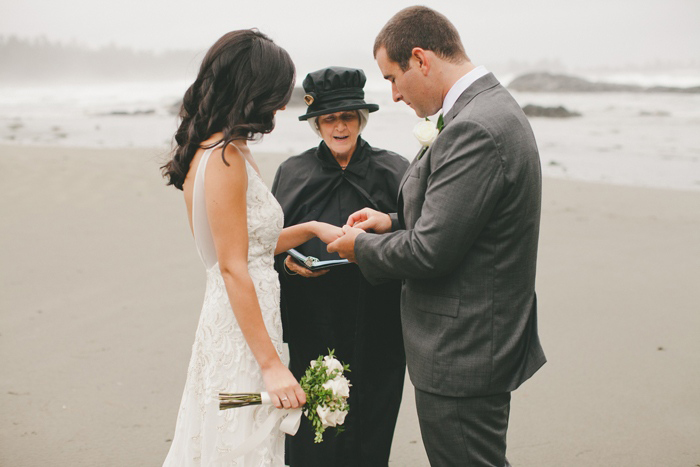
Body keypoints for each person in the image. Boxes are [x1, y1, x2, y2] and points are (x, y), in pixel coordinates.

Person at [327, 6, 546, 466]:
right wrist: (390, 221)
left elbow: (430, 252)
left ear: (422, 60)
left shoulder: (475, 127)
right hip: (470, 342)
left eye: (392, 78)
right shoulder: (480, 109)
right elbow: (458, 219)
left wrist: (360, 248)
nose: (393, 95)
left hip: (463, 352)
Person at [160, 30, 342, 466]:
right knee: (242, 441)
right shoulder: (223, 157)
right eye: (278, 93)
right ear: (253, 91)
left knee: (241, 436)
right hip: (242, 329)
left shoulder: (227, 150)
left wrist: (311, 228)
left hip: (249, 315)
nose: (282, 105)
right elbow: (232, 267)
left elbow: (249, 246)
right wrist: (271, 365)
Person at [271, 66, 409, 467]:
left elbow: (421, 235)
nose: (339, 126)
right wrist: (293, 268)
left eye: (347, 116)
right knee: (316, 436)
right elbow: (270, 247)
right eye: (329, 118)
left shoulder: (395, 169)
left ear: (361, 118)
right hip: (313, 325)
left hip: (381, 324)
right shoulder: (292, 173)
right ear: (316, 124)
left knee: (371, 433)